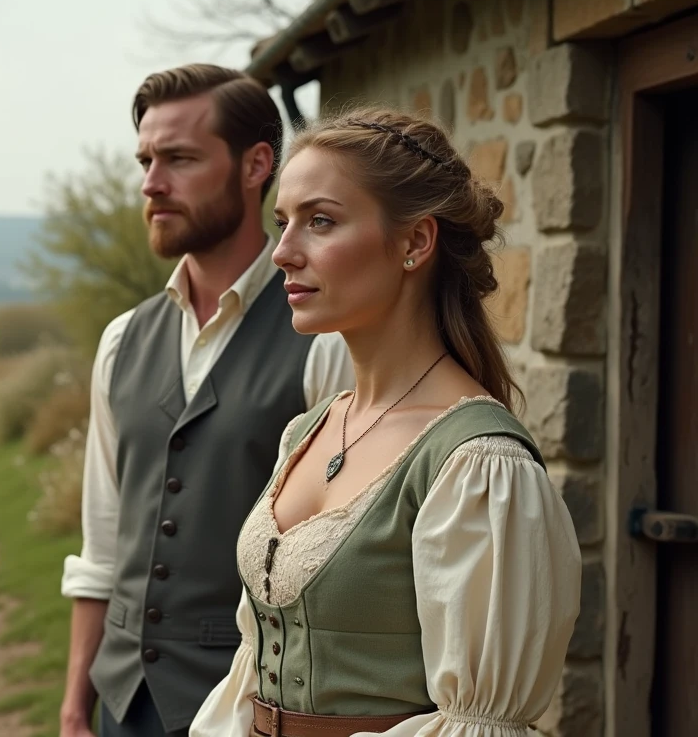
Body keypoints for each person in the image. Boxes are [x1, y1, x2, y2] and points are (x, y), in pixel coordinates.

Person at [188, 106, 583, 737]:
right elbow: (256, 663)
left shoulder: (478, 464)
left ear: (415, 242)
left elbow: (479, 723)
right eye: (282, 222)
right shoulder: (307, 431)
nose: (284, 253)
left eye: (320, 222)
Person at [58, 63, 356, 737]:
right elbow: (101, 546)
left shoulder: (324, 343)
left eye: (179, 159)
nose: (151, 184)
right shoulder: (121, 341)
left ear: (256, 166)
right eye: (145, 160)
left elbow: (343, 567)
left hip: (253, 708)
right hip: (121, 705)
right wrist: (77, 703)